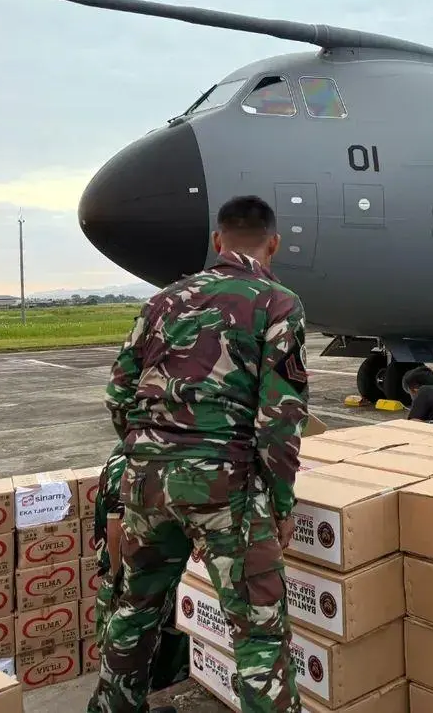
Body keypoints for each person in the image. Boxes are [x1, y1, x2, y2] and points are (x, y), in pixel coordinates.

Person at [90, 195, 308, 713]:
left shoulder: (162, 301)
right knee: (259, 633)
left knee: (134, 611)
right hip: (224, 488)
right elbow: (279, 420)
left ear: (217, 242)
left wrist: (147, 452)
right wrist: (280, 503)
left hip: (145, 482)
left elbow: (119, 394)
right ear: (273, 243)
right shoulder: (277, 303)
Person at [93, 446, 190, 695]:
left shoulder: (133, 450)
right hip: (132, 583)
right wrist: (123, 588)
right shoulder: (129, 465)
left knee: (145, 664)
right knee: (132, 667)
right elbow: (117, 532)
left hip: (145, 581)